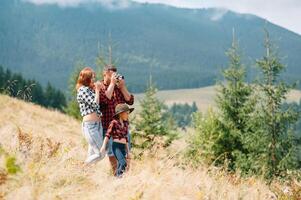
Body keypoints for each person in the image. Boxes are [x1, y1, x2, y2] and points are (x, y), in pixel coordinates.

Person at [99, 65, 134, 174]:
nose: (114, 76)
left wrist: (122, 86)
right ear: (105, 73)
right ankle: (116, 175)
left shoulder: (118, 88)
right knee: (112, 154)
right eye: (111, 74)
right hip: (108, 126)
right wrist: (112, 84)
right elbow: (104, 100)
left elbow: (130, 100)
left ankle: (125, 176)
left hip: (122, 126)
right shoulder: (100, 87)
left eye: (115, 74)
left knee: (126, 153)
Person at [76, 67, 105, 164]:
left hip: (98, 125)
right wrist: (97, 90)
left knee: (92, 154)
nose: (94, 80)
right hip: (90, 126)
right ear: (86, 79)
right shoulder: (82, 90)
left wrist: (100, 89)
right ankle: (83, 167)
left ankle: (86, 174)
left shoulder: (90, 89)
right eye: (92, 78)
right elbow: (95, 104)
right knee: (101, 153)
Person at [100, 104, 134, 177]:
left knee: (121, 164)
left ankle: (118, 179)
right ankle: (118, 178)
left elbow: (126, 139)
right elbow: (107, 135)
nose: (128, 115)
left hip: (123, 147)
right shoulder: (114, 122)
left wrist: (128, 152)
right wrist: (103, 146)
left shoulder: (125, 124)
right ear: (121, 113)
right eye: (127, 113)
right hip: (116, 147)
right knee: (123, 163)